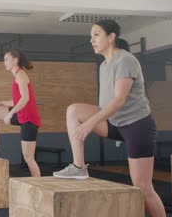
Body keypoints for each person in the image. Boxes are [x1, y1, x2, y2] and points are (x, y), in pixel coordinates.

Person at [53, 19, 165, 217]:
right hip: (115, 124)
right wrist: (89, 119)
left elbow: (119, 100)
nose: (92, 40)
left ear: (111, 37)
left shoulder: (125, 60)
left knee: (143, 187)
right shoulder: (104, 65)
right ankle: (79, 167)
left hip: (138, 126)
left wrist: (90, 122)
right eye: (91, 36)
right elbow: (106, 106)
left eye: (96, 35)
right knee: (74, 111)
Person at [0, 50, 42, 177]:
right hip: (20, 116)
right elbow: (18, 101)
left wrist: (9, 114)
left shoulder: (21, 75)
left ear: (15, 60)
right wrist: (3, 103)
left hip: (29, 120)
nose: (4, 62)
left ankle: (38, 184)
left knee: (28, 157)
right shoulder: (16, 76)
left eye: (7, 59)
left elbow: (25, 98)